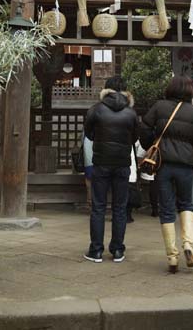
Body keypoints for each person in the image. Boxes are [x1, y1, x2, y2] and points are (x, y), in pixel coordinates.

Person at [141, 75, 193, 273]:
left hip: (163, 163)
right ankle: (188, 244)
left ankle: (172, 256)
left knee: (166, 208)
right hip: (186, 165)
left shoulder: (159, 107)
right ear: (190, 91)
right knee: (186, 203)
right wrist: (192, 152)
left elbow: (144, 128)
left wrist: (151, 145)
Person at [83, 76, 139, 263]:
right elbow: (134, 138)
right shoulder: (131, 113)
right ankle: (117, 250)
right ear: (124, 90)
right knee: (120, 208)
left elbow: (89, 134)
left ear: (106, 90)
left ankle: (96, 250)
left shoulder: (96, 109)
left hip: (101, 163)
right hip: (122, 164)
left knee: (98, 207)